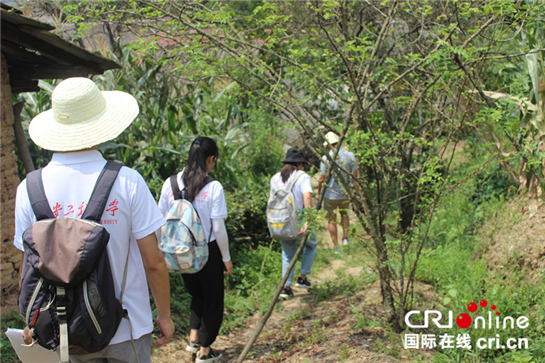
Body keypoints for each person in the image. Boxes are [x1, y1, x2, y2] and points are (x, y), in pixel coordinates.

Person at [13, 77, 174, 362]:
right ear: (101, 125)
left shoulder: (29, 188)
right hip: (127, 326)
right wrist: (164, 315)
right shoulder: (126, 181)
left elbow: (29, 266)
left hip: (63, 330)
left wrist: (30, 319)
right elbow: (153, 261)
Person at [158, 137, 232, 363]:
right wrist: (226, 258)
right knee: (213, 300)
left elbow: (160, 223)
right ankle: (205, 351)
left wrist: (166, 252)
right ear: (210, 159)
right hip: (208, 251)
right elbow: (218, 228)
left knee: (196, 295)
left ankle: (193, 341)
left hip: (180, 252)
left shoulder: (169, 184)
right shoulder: (213, 187)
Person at [270, 147, 318, 298]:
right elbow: (308, 196)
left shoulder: (275, 178)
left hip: (280, 222)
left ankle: (286, 288)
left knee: (287, 254)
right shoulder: (302, 176)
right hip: (299, 221)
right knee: (311, 245)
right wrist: (309, 220)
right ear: (299, 163)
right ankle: (303, 278)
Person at [317, 132, 358, 253]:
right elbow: (355, 177)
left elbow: (321, 178)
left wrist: (319, 193)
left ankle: (336, 247)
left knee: (331, 220)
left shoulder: (326, 158)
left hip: (330, 194)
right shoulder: (350, 156)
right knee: (345, 215)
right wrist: (355, 192)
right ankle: (345, 238)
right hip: (345, 193)